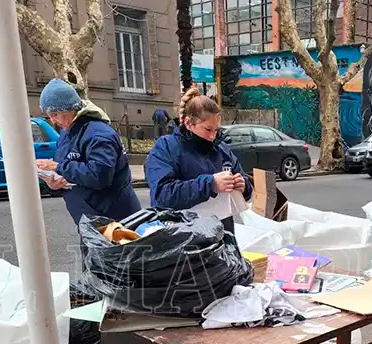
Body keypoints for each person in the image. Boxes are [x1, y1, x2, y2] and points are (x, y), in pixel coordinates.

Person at [145, 87, 252, 233]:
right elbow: (162, 196)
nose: (213, 136)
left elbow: (244, 180)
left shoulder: (221, 149)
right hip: (183, 238)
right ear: (189, 123)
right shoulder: (166, 147)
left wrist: (243, 186)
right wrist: (210, 184)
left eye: (217, 130)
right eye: (208, 129)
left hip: (222, 235)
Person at [35, 79, 141, 225]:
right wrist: (54, 185)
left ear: (69, 109)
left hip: (114, 220)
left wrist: (58, 167)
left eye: (55, 114)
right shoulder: (67, 134)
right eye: (49, 115)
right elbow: (69, 172)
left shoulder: (98, 134)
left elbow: (99, 176)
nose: (52, 121)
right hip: (91, 221)